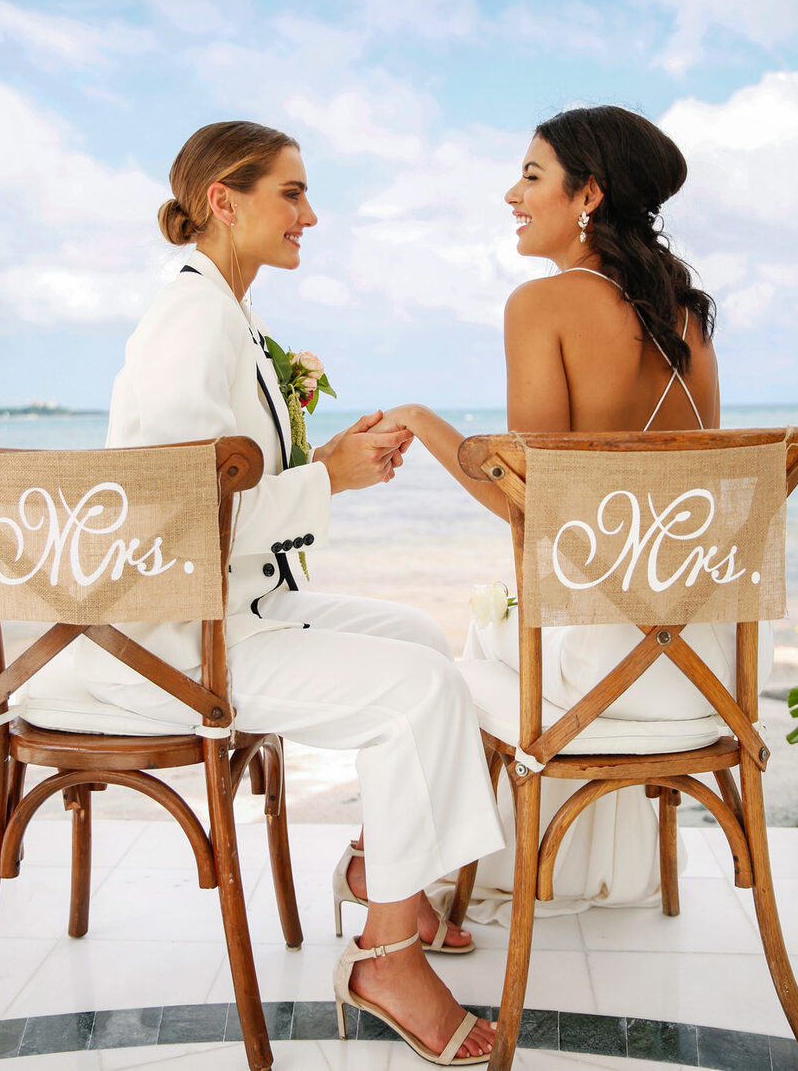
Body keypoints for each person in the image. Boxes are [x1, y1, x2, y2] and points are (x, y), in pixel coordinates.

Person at [60, 120, 504, 1065]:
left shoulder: (226, 312)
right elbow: (171, 518)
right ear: (223, 199)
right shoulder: (190, 320)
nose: (311, 214)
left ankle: (382, 872)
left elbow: (228, 494)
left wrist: (328, 468)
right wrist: (328, 478)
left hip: (231, 608)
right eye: (291, 194)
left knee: (419, 640)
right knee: (419, 694)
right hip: (175, 643)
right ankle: (383, 957)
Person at [370, 104, 774, 918]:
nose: (510, 194)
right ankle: (518, 867)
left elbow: (532, 514)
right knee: (505, 626)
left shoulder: (543, 305)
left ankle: (409, 879)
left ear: (586, 193)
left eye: (529, 175)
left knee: (434, 670)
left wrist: (421, 421)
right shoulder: (687, 317)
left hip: (603, 686)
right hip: (708, 679)